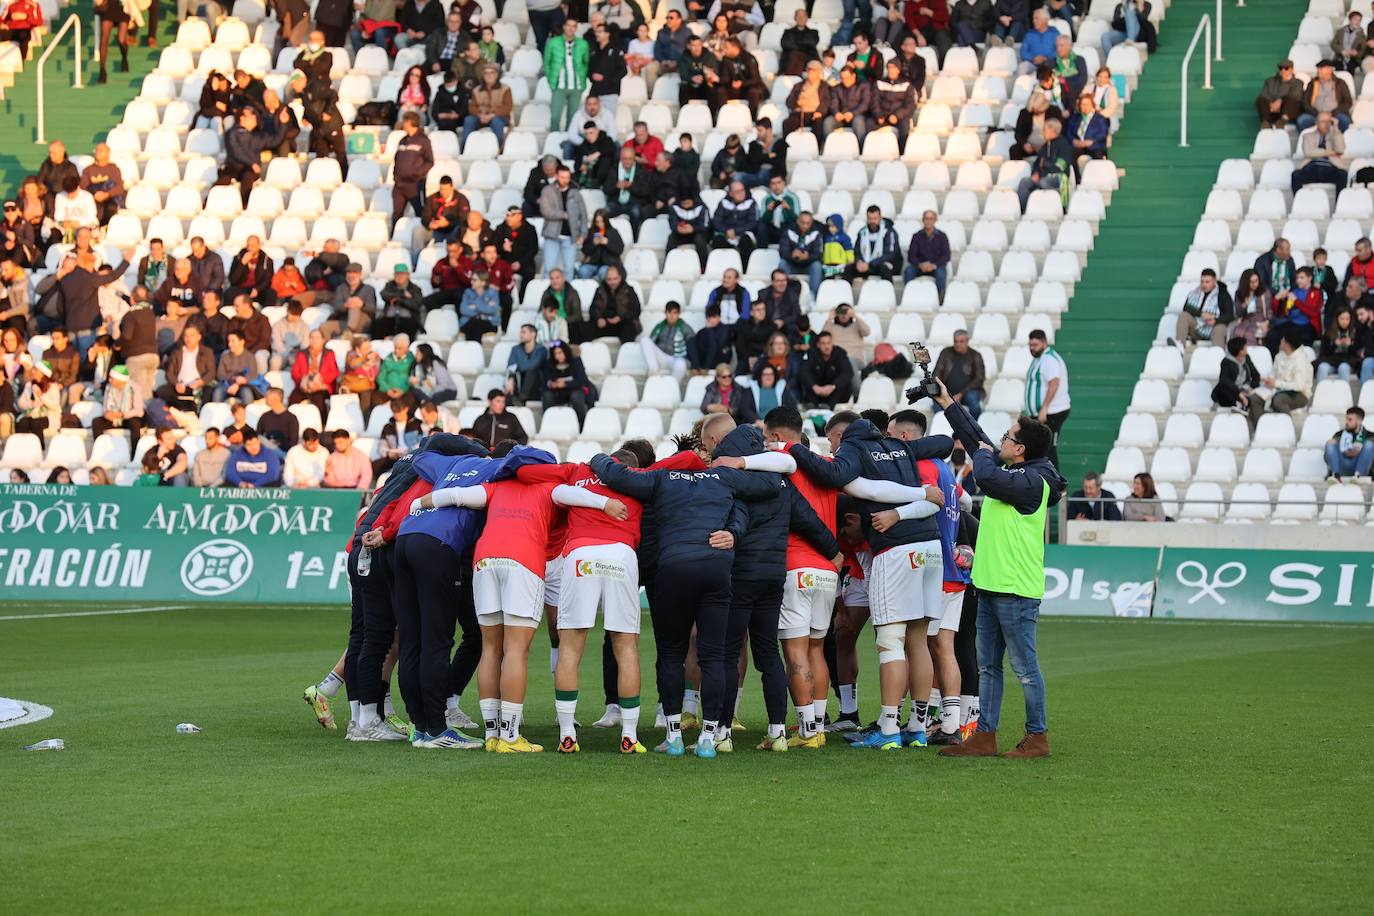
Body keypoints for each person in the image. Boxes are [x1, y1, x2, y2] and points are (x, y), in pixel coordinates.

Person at [930, 377, 1064, 759]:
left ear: (1019, 449)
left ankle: (1037, 737)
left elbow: (985, 471)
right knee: (989, 667)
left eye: (1007, 436)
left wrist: (984, 452)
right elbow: (979, 442)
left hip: (1016, 589)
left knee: (1025, 669)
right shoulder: (1019, 471)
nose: (1000, 439)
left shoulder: (1034, 480)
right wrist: (945, 400)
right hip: (990, 584)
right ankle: (985, 736)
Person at [1025, 329, 1069, 467]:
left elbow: (1054, 383)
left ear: (1044, 343)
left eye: (1035, 345)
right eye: (1030, 345)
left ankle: (1056, 484)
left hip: (1052, 412)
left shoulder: (1049, 359)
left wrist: (1044, 408)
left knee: (1049, 448)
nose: (1032, 348)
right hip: (1041, 413)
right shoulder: (1040, 358)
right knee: (1040, 448)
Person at [540, 166, 588, 280]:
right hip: (552, 236)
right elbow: (545, 211)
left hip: (570, 237)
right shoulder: (548, 190)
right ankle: (547, 296)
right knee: (549, 269)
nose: (565, 180)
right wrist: (565, 215)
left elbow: (583, 214)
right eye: (562, 177)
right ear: (556, 176)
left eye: (567, 177)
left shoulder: (575, 192)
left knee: (569, 269)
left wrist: (583, 233)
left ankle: (568, 296)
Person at [1018, 116, 1072, 213]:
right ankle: (1023, 210)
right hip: (1043, 175)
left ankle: (1055, 207)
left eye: (1044, 130)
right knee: (1024, 182)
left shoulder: (1064, 146)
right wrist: (1036, 173)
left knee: (1043, 182)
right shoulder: (1045, 146)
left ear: (1053, 130)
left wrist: (1043, 170)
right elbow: (1037, 163)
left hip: (1059, 177)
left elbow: (1060, 167)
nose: (1042, 132)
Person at [546, 18, 590, 134]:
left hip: (576, 86)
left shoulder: (583, 44)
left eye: (573, 26)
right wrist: (551, 81)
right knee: (555, 116)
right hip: (559, 85)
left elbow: (586, 63)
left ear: (576, 28)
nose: (570, 28)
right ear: (564, 27)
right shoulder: (553, 42)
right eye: (568, 25)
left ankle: (569, 143)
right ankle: (554, 140)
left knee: (572, 117)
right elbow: (547, 63)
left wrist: (582, 79)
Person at [1171, 269, 1233, 348]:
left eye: (1207, 282)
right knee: (1184, 315)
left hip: (1215, 326)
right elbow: (1186, 308)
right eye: (1202, 282)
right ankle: (1179, 347)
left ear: (1214, 281)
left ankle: (1218, 355)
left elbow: (1230, 315)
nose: (1204, 284)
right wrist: (1201, 314)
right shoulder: (1195, 293)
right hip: (1197, 326)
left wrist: (1215, 320)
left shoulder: (1223, 295)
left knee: (1219, 329)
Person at [391, 113, 434, 230]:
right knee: (396, 214)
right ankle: (394, 236)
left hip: (414, 184)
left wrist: (417, 173)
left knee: (420, 212)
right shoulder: (403, 140)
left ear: (411, 123)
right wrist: (395, 175)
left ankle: (421, 237)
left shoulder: (423, 140)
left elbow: (430, 161)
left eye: (405, 121)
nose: (403, 124)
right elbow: (396, 159)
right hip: (399, 184)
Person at [1213, 337, 1266, 430]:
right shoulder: (1226, 362)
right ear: (1240, 350)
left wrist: (1252, 388)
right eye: (1245, 346)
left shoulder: (1247, 358)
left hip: (1244, 389)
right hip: (1231, 391)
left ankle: (1257, 426)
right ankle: (1239, 403)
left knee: (1255, 397)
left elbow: (1256, 375)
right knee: (1224, 387)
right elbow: (1224, 380)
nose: (1247, 348)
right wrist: (1239, 394)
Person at [1292, 111, 1349, 192]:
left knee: (1342, 174)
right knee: (1296, 175)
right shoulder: (1308, 135)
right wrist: (1329, 152)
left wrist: (1336, 128)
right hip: (1312, 167)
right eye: (1323, 122)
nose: (1326, 124)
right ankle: (1298, 202)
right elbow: (1308, 152)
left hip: (1330, 167)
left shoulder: (1335, 135)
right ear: (1317, 123)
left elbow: (1340, 150)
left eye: (1329, 121)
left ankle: (1339, 203)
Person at [934, 330, 986, 417]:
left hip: (968, 392)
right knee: (936, 400)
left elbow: (979, 379)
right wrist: (942, 391)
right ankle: (945, 427)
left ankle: (974, 429)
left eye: (961, 341)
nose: (958, 344)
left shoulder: (975, 355)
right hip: (947, 392)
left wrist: (961, 394)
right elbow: (937, 372)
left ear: (967, 341)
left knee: (973, 401)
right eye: (956, 341)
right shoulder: (945, 353)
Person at [464, 64, 513, 152]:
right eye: (486, 73)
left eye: (491, 73)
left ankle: (499, 149)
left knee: (496, 121)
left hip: (499, 117)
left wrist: (492, 115)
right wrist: (480, 115)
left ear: (496, 75)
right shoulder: (476, 90)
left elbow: (507, 107)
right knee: (469, 120)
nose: (488, 75)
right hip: (481, 117)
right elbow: (471, 107)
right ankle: (465, 147)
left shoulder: (505, 89)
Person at [847, 206, 901, 284]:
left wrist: (870, 264)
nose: (872, 221)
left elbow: (890, 254)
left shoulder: (889, 232)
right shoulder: (862, 232)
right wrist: (859, 262)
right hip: (866, 265)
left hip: (882, 263)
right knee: (849, 269)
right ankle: (845, 294)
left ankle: (887, 294)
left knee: (885, 269)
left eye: (875, 218)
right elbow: (857, 250)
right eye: (870, 218)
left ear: (880, 218)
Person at [800, 331, 855, 409]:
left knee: (843, 381)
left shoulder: (840, 354)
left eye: (829, 343)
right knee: (807, 378)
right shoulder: (813, 354)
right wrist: (814, 387)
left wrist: (832, 386)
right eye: (823, 343)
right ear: (818, 345)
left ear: (832, 343)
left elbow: (847, 372)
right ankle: (811, 405)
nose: (827, 346)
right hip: (817, 390)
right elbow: (804, 371)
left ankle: (828, 406)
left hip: (835, 393)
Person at [542, 340, 592, 424]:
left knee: (576, 396)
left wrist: (565, 384)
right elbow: (546, 381)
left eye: (560, 353)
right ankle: (548, 422)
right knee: (547, 395)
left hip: (575, 389)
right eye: (555, 354)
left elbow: (582, 380)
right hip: (557, 392)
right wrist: (551, 384)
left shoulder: (576, 361)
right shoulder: (549, 364)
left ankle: (582, 423)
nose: (558, 356)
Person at [1265, 331, 1314, 414]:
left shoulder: (1300, 362)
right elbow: (1274, 373)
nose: (1280, 341)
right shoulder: (1279, 356)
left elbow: (1299, 386)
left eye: (1282, 340)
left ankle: (1287, 424)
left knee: (1278, 400)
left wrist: (1277, 383)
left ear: (1287, 344)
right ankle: (1260, 425)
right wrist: (1269, 380)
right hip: (1279, 389)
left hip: (1299, 394)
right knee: (1255, 398)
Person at [1297, 60, 1353, 131]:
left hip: (1335, 114)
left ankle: (1338, 141)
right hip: (1315, 114)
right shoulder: (1312, 83)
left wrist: (1332, 113)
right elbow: (1305, 102)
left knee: (1344, 121)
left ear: (1329, 70)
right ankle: (1311, 140)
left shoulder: (1340, 83)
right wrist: (1317, 113)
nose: (1318, 71)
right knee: (1302, 121)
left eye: (1321, 68)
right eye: (1318, 68)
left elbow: (1348, 102)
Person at [905, 209, 951, 295]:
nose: (928, 221)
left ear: (935, 220)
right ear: (923, 220)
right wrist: (920, 264)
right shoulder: (916, 236)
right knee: (909, 271)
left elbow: (946, 255)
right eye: (926, 218)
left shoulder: (942, 236)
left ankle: (940, 298)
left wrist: (934, 265)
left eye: (931, 219)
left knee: (941, 274)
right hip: (919, 266)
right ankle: (909, 295)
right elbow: (911, 255)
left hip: (936, 266)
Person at [1326, 407, 1374, 481]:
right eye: (1346, 419)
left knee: (1369, 445)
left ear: (1359, 421)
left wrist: (1361, 449)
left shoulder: (1370, 436)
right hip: (1342, 465)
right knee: (1330, 444)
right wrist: (1343, 450)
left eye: (1350, 420)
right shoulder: (1339, 435)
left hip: (1361, 466)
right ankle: (1335, 476)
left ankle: (1358, 476)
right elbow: (1326, 458)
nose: (1346, 422)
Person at [1317, 309, 1362, 381]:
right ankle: (1321, 391)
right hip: (1331, 362)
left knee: (1343, 367)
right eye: (1342, 319)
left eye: (1347, 319)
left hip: (1348, 363)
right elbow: (1324, 353)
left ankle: (1345, 391)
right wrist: (1334, 345)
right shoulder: (1329, 333)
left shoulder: (1355, 332)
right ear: (1337, 319)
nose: (1344, 322)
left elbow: (1357, 356)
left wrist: (1350, 345)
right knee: (1322, 367)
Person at [1065, 94, 1109, 160]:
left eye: (1088, 104)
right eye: (1083, 104)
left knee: (1097, 155)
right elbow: (1069, 132)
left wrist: (1091, 141)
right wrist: (1074, 140)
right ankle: (1076, 170)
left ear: (1092, 105)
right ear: (1079, 106)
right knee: (1069, 154)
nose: (1085, 107)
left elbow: (1103, 133)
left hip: (1094, 146)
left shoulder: (1100, 119)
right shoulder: (1075, 118)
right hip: (1078, 145)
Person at [1333, 10, 1366, 74]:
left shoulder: (1362, 35)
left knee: (1350, 65)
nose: (1358, 22)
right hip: (1341, 56)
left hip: (1353, 58)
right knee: (1337, 64)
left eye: (1359, 20)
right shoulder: (1340, 31)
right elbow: (1333, 44)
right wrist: (1341, 50)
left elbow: (1363, 49)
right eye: (1355, 19)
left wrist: (1356, 53)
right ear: (1350, 20)